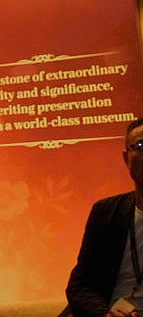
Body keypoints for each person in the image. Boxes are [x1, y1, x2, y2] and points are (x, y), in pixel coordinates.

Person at [65, 118, 143, 317]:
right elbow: (79, 286)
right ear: (126, 159)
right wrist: (104, 314)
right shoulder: (106, 213)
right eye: (141, 146)